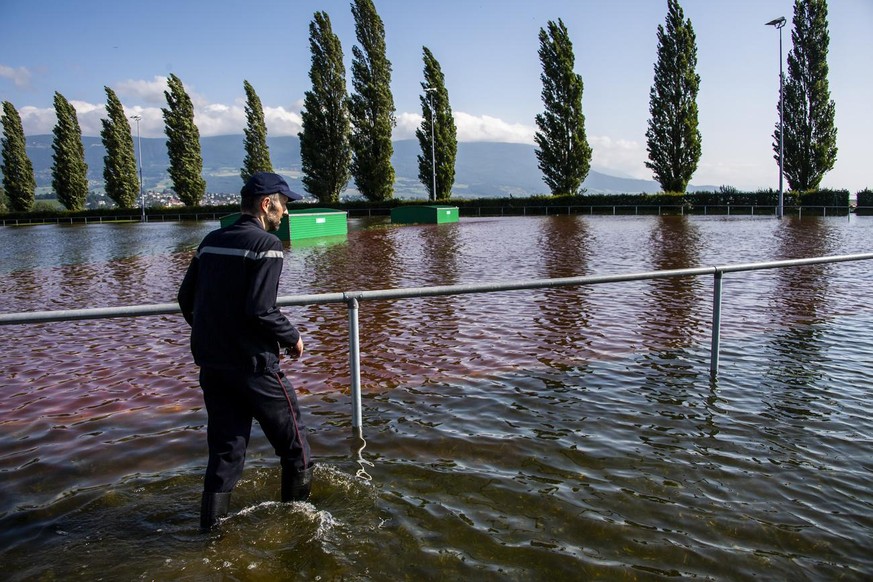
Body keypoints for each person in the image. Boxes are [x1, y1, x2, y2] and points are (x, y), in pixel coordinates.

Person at [178, 172, 314, 531]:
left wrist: (217, 337)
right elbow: (260, 309)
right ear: (266, 204)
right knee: (295, 447)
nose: (285, 213)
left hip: (214, 367)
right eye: (283, 204)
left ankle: (211, 533)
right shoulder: (265, 245)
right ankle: (300, 525)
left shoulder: (210, 241)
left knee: (225, 454)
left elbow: (185, 299)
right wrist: (293, 338)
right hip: (255, 369)